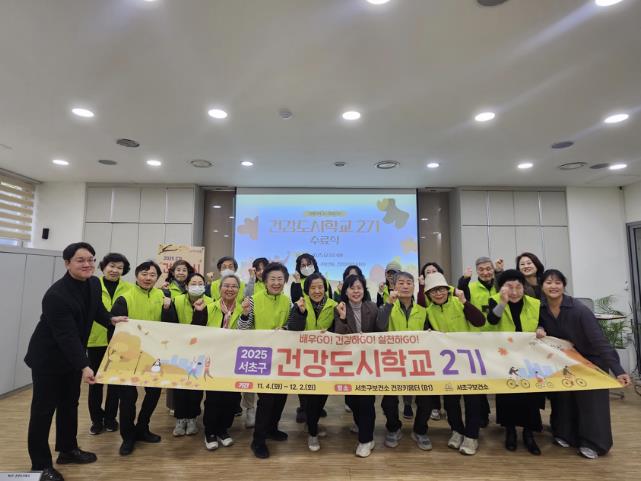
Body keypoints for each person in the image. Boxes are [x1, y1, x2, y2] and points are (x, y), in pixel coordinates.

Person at [24, 242, 127, 481]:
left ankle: (68, 450)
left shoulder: (93, 283)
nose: (87, 264)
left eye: (91, 259)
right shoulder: (56, 296)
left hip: (71, 357)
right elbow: (66, 336)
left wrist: (110, 319)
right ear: (67, 263)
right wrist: (84, 365)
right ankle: (40, 466)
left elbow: (96, 309)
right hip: (48, 360)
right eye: (81, 260)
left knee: (69, 404)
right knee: (43, 411)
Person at [537, 269, 631, 459]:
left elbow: (599, 341)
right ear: (542, 286)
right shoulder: (542, 309)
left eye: (558, 283)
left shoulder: (579, 310)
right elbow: (539, 325)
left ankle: (595, 444)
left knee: (591, 403)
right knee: (564, 398)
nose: (553, 286)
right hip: (567, 360)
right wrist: (539, 327)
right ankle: (566, 434)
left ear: (564, 286)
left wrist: (618, 370)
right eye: (549, 282)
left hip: (592, 359)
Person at [110, 260, 173, 456]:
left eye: (152, 275)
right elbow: (114, 329)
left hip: (154, 354)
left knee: (154, 392)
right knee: (128, 397)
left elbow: (171, 326)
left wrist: (167, 308)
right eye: (144, 274)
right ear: (137, 276)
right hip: (128, 356)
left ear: (157, 278)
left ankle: (143, 427)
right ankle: (127, 436)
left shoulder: (162, 296)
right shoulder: (124, 298)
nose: (148, 278)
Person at [424, 273, 485, 455]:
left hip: (469, 360)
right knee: (451, 401)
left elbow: (480, 321)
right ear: (428, 294)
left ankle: (471, 436)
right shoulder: (429, 312)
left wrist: (465, 301)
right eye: (433, 291)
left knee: (473, 400)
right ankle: (457, 430)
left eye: (441, 289)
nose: (438, 293)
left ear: (448, 289)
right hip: (447, 364)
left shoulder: (459, 303)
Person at [237, 262, 292, 459]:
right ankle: (258, 440)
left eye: (280, 279)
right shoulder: (253, 300)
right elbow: (242, 329)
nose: (276, 283)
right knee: (267, 400)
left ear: (285, 281)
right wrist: (244, 314)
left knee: (281, 397)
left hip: (282, 357)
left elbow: (291, 325)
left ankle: (272, 429)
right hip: (261, 357)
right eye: (272, 279)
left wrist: (285, 329)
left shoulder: (287, 302)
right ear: (265, 280)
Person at [487, 269, 543, 455]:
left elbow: (542, 322)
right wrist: (503, 302)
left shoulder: (534, 303)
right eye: (509, 287)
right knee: (508, 395)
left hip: (529, 356)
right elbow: (492, 320)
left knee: (530, 395)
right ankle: (510, 431)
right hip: (506, 357)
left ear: (524, 287)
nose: (514, 291)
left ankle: (529, 433)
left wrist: (541, 328)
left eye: (518, 287)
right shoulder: (495, 300)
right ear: (501, 288)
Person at [375, 271, 433, 452]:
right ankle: (393, 428)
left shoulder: (423, 310)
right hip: (393, 361)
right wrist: (389, 304)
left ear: (414, 286)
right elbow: (380, 326)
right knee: (388, 401)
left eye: (409, 283)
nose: (405, 286)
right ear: (394, 286)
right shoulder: (387, 307)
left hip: (417, 362)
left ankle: (420, 430)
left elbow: (430, 334)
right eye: (401, 283)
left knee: (426, 399)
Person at [287, 272, 338, 451]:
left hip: (325, 359)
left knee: (321, 395)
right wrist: (300, 313)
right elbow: (293, 329)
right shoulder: (300, 303)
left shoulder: (334, 305)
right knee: (308, 397)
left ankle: (311, 423)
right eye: (313, 287)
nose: (317, 291)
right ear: (307, 289)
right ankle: (313, 431)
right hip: (303, 358)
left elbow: (339, 331)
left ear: (325, 288)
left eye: (320, 287)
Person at [197, 273, 245, 450]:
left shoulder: (243, 310)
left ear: (238, 290)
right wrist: (198, 313)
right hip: (213, 360)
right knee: (214, 399)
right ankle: (210, 432)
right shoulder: (208, 307)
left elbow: (250, 333)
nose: (230, 289)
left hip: (235, 360)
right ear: (219, 288)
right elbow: (197, 331)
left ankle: (223, 429)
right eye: (226, 286)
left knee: (232, 398)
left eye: (234, 286)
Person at [334, 274, 380, 458]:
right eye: (352, 288)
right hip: (349, 362)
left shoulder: (372, 307)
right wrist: (343, 318)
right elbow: (339, 336)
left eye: (359, 287)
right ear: (345, 291)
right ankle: (362, 427)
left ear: (364, 289)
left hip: (368, 362)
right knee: (353, 401)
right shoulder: (340, 308)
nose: (356, 291)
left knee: (366, 401)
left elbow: (381, 332)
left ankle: (366, 439)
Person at [86, 253, 131, 436]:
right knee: (95, 383)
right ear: (103, 267)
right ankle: (96, 420)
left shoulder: (129, 288)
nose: (115, 270)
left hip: (119, 343)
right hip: (95, 340)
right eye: (112, 266)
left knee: (114, 384)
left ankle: (111, 419)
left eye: (120, 268)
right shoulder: (92, 285)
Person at [164, 272, 213, 438]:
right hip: (180, 350)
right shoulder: (176, 300)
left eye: (200, 283)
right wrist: (166, 308)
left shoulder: (211, 302)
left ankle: (192, 418)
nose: (197, 286)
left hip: (200, 351)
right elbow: (170, 324)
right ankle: (180, 418)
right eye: (193, 283)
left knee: (195, 387)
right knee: (179, 386)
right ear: (186, 286)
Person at [289, 253, 332, 423]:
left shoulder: (325, 283)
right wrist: (298, 283)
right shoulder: (297, 285)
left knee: (323, 379)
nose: (317, 290)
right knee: (304, 378)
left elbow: (331, 304)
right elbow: (296, 307)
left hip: (324, 346)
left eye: (309, 264)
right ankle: (304, 407)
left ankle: (317, 407)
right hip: (304, 344)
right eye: (303, 264)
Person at [415, 261, 451, 421]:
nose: (430, 274)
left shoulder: (452, 295)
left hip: (452, 345)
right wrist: (422, 287)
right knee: (434, 375)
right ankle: (435, 406)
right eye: (427, 272)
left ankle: (448, 408)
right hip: (432, 342)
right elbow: (421, 307)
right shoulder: (424, 295)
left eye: (433, 271)